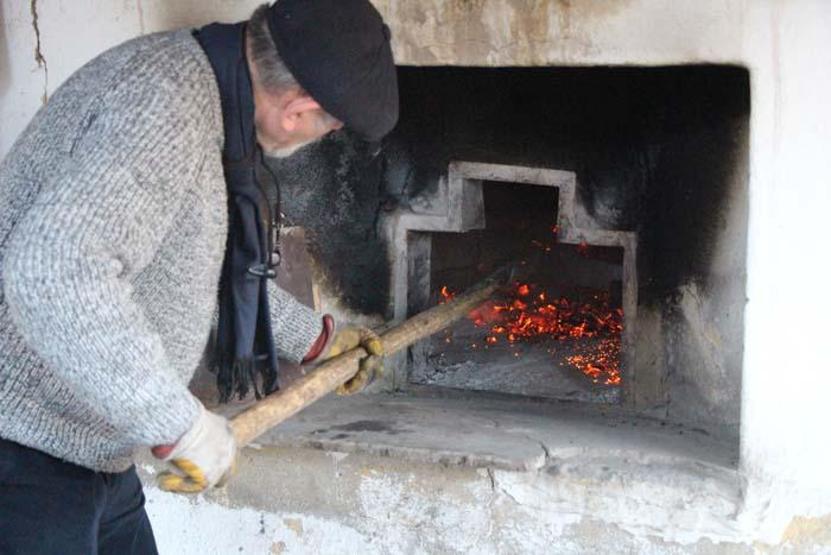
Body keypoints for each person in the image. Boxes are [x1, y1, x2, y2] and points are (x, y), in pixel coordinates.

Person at [0, 0, 398, 552]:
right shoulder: (164, 107)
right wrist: (176, 424)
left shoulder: (208, 90)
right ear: (299, 108)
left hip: (90, 446)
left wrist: (317, 339)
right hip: (23, 453)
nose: (324, 136)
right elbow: (53, 269)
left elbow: (195, 263)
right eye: (330, 126)